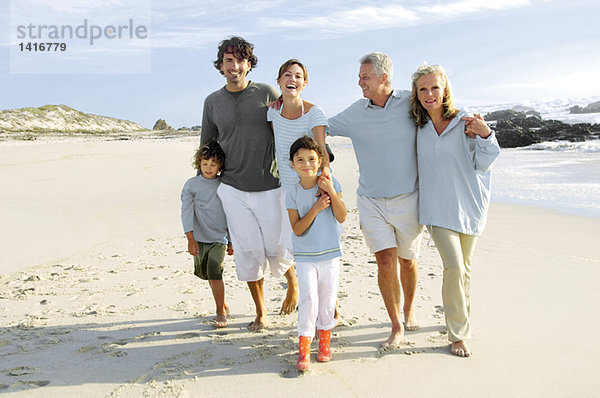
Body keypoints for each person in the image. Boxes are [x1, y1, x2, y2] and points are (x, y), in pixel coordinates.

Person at [201, 36, 298, 332]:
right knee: (247, 252)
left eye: (240, 60)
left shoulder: (267, 93)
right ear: (221, 65)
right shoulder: (212, 102)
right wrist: (203, 187)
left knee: (277, 247)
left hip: (270, 185)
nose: (235, 65)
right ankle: (261, 311)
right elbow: (207, 145)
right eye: (228, 60)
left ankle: (292, 284)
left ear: (249, 64)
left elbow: (288, 126)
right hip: (232, 188)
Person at [327, 52, 423, 348]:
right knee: (384, 261)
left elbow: (441, 112)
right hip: (371, 200)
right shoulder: (356, 112)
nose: (359, 83)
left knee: (407, 262)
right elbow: (320, 126)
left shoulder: (411, 102)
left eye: (365, 77)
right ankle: (396, 325)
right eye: (359, 77)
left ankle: (408, 309)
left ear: (384, 78)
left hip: (409, 198)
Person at [410, 64, 501, 357]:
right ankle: (458, 334)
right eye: (422, 89)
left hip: (470, 205)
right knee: (455, 266)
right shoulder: (416, 125)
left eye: (434, 87)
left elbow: (486, 161)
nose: (429, 94)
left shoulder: (465, 121)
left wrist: (486, 134)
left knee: (465, 270)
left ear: (445, 88)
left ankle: (459, 319)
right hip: (436, 209)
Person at [286, 136, 346, 371]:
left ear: (320, 160)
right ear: (292, 164)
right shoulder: (292, 192)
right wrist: (317, 207)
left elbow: (341, 216)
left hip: (330, 253)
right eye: (299, 160)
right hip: (305, 256)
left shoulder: (332, 183)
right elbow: (298, 229)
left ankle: (324, 344)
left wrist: (330, 190)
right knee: (309, 299)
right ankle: (303, 348)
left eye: (311, 159)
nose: (306, 164)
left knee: (328, 299)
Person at [180, 141, 234, 328]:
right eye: (205, 163)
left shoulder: (224, 185)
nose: (209, 168)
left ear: (220, 165)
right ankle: (223, 303)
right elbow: (186, 212)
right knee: (209, 276)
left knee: (215, 273)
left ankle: (219, 312)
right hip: (199, 237)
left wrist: (231, 240)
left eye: (213, 164)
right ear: (199, 163)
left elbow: (231, 212)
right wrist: (190, 239)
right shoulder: (191, 185)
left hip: (219, 237)